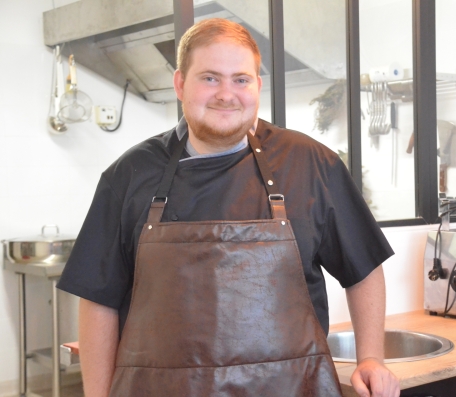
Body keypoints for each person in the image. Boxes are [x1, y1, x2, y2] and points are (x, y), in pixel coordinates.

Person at [57, 18, 400, 397]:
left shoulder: (310, 163)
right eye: (209, 78)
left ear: (257, 85)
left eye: (241, 79)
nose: (226, 93)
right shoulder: (129, 174)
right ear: (180, 84)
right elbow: (98, 301)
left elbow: (363, 268)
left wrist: (371, 358)